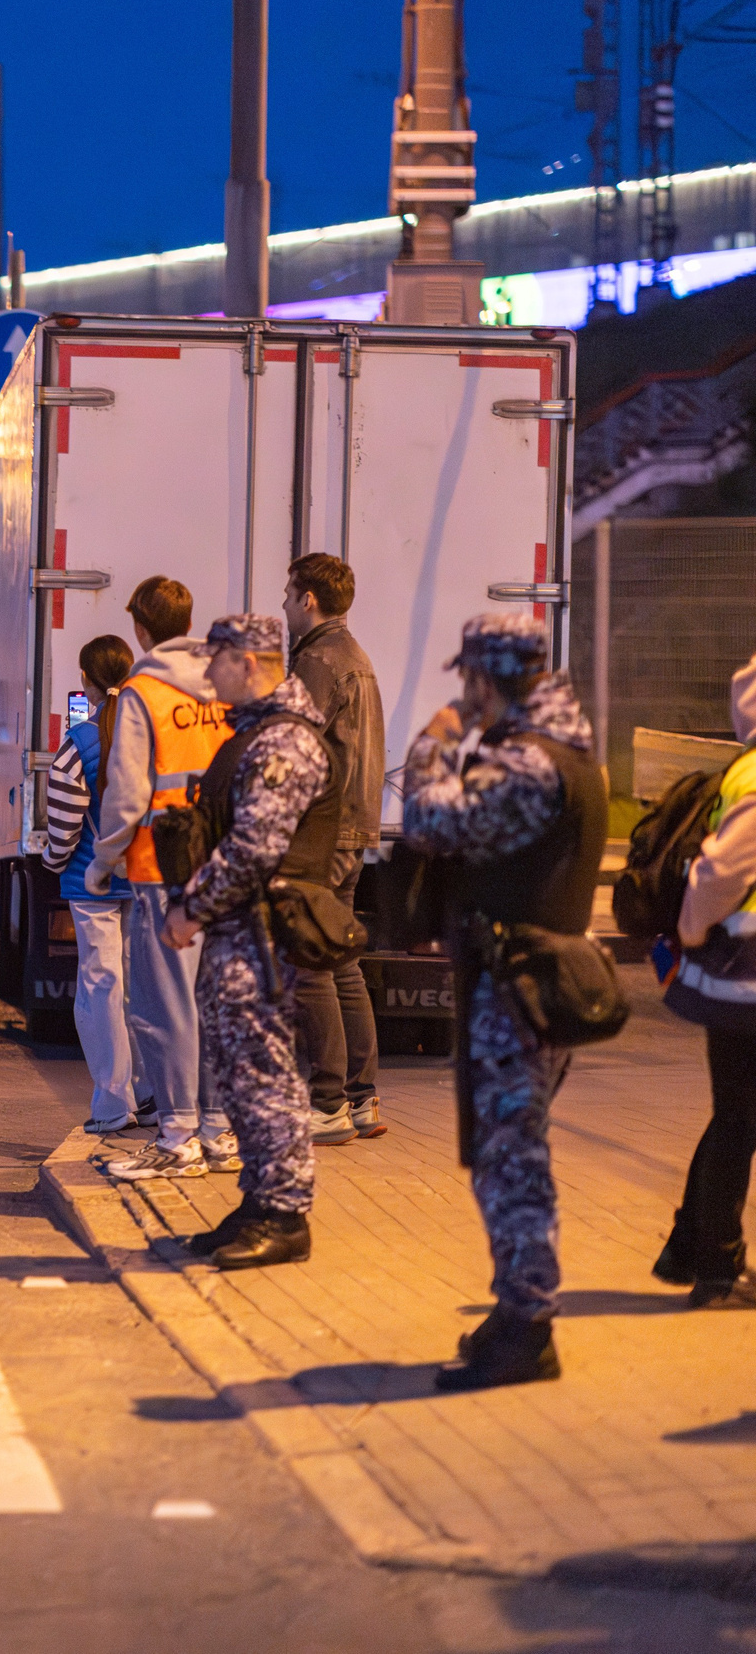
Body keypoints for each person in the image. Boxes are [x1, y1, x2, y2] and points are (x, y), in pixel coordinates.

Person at [402, 614, 606, 1390]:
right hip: (525, 983)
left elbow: (429, 820)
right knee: (506, 1153)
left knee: (512, 1161)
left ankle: (527, 1325)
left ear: (488, 678)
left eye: (468, 681)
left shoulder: (528, 764)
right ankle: (516, 1310)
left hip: (516, 988)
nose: (463, 693)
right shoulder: (568, 750)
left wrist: (432, 743)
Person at [159, 615, 337, 1270]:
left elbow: (254, 850)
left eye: (216, 660)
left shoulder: (284, 743)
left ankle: (287, 1215)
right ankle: (261, 1201)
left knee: (266, 1077)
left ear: (250, 660)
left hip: (265, 940)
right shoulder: (255, 735)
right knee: (242, 1076)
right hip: (244, 935)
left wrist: (191, 911)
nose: (208, 673)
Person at [91, 577, 236, 1181]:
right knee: (215, 1002)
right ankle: (221, 1132)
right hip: (227, 867)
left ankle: (177, 1137)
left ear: (141, 629)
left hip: (162, 869)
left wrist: (104, 862)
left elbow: (127, 793)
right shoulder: (228, 685)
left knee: (162, 1005)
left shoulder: (141, 692)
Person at [653, 650, 756, 1309]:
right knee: (738, 1118)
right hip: (747, 977)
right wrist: (691, 930)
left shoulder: (744, 769)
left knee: (737, 1117)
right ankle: (711, 1264)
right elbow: (721, 874)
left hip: (739, 979)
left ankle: (697, 1250)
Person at [285, 554, 387, 1144]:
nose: (283, 604)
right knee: (342, 964)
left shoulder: (319, 662)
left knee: (310, 967)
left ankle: (326, 1104)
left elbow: (291, 747)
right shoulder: (356, 658)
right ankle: (361, 1098)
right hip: (355, 827)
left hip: (322, 835)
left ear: (308, 600)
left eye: (287, 593)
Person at [42, 633, 138, 1134]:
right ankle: (150, 1095)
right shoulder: (144, 733)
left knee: (100, 990)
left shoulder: (79, 744)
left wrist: (53, 860)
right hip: (141, 879)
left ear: (85, 679)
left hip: (91, 881)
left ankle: (111, 1104)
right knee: (139, 987)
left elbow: (65, 825)